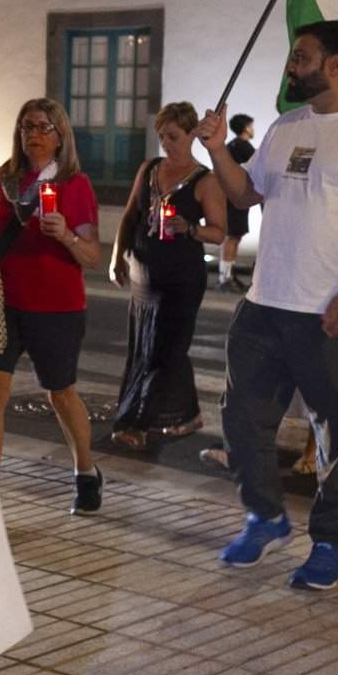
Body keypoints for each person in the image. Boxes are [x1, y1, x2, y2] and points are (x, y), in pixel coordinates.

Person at [202, 21, 338, 592]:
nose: (290, 66)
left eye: (300, 56)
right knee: (240, 419)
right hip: (265, 302)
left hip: (332, 312)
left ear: (336, 65)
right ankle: (265, 517)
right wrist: (216, 147)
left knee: (337, 433)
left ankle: (328, 544)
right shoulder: (286, 127)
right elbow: (246, 194)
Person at [0, 99, 103, 514]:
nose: (34, 135)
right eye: (27, 127)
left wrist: (64, 234)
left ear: (61, 136)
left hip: (57, 306)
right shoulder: (5, 178)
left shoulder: (74, 185)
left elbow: (92, 256)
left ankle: (85, 470)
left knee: (60, 393)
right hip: (2, 302)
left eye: (44, 127)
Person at [106, 101, 227, 449]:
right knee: (148, 347)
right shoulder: (150, 169)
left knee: (165, 351)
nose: (166, 143)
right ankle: (187, 415)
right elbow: (131, 216)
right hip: (145, 275)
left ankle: (136, 422)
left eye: (173, 136)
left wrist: (189, 228)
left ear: (192, 134)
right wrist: (118, 257)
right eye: (161, 136)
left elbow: (218, 233)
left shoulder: (206, 181)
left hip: (181, 279)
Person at [218, 113, 256, 284]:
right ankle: (225, 278)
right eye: (251, 125)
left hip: (229, 197)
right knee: (233, 236)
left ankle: (227, 275)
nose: (252, 129)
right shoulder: (244, 147)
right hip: (236, 199)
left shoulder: (231, 146)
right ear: (245, 128)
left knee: (233, 236)